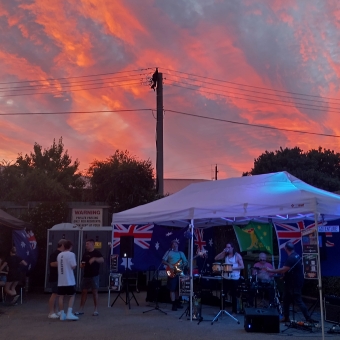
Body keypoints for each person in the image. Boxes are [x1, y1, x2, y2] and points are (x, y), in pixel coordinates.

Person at [265, 242, 315, 323]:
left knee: (298, 300)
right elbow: (291, 270)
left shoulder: (291, 258)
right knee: (286, 299)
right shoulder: (296, 255)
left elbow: (284, 269)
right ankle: (286, 317)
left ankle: (308, 318)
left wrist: (270, 270)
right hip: (291, 282)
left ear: (286, 249)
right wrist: (285, 276)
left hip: (294, 283)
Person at [75, 239, 104, 316]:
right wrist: (81, 265)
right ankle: (81, 309)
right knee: (84, 292)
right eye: (86, 244)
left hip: (94, 275)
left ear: (92, 244)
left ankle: (96, 309)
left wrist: (94, 259)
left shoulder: (97, 252)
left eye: (88, 244)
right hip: (86, 275)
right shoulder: (85, 253)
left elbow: (102, 260)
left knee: (95, 292)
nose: (86, 245)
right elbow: (82, 263)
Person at [214, 242, 244, 314]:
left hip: (234, 277)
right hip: (226, 277)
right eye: (227, 247)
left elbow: (242, 266)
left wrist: (231, 268)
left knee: (234, 294)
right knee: (223, 293)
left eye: (229, 247)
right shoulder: (225, 255)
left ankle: (234, 310)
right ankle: (222, 309)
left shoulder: (237, 256)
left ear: (232, 248)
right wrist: (223, 252)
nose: (228, 248)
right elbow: (216, 258)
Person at [162, 240, 188, 311]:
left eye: (176, 243)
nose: (174, 245)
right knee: (172, 289)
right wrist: (169, 265)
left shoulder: (181, 253)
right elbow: (163, 261)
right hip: (171, 272)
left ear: (178, 245)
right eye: (173, 243)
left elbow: (186, 262)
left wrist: (184, 264)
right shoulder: (168, 252)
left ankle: (177, 303)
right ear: (171, 245)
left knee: (178, 290)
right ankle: (173, 304)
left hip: (180, 273)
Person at [57, 240, 78, 321]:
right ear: (70, 247)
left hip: (61, 280)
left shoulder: (59, 255)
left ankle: (62, 314)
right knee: (72, 295)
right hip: (69, 279)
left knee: (61, 297)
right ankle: (69, 313)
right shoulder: (71, 254)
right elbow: (73, 266)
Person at [47, 239, 67, 319]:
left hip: (60, 277)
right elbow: (52, 264)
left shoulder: (62, 254)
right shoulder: (55, 254)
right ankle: (51, 312)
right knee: (54, 294)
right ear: (62, 245)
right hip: (55, 276)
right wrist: (63, 263)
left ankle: (56, 310)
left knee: (59, 294)